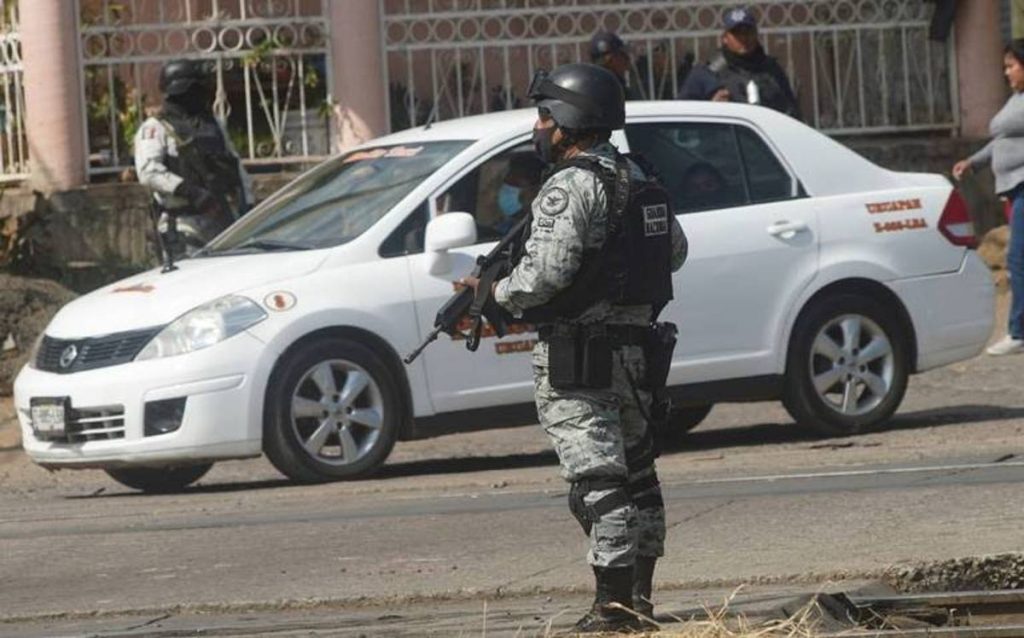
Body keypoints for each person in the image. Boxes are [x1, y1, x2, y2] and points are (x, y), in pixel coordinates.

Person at [464, 63, 688, 633]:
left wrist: (496, 295)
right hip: (636, 352)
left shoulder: (570, 185)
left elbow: (545, 275)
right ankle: (640, 601)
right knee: (638, 475)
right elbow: (675, 252)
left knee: (598, 483)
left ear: (569, 118)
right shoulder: (638, 176)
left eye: (545, 115)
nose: (539, 127)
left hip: (578, 356)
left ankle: (612, 613)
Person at [134, 59, 253, 259]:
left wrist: (247, 203)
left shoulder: (213, 124)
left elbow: (234, 163)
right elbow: (148, 171)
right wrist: (193, 193)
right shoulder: (156, 127)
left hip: (223, 218)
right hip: (182, 221)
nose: (203, 93)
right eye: (197, 88)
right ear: (181, 91)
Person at [953, 41, 1024, 356]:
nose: (1006, 71)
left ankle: (1019, 331)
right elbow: (1001, 141)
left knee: (1017, 259)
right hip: (1013, 188)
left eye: (1011, 65)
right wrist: (973, 162)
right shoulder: (1016, 100)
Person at [679, 7, 799, 118]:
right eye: (737, 33)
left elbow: (792, 113)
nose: (744, 38)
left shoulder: (772, 69)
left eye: (748, 32)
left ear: (756, 34)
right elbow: (683, 121)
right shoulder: (706, 73)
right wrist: (711, 110)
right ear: (725, 38)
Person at [495, 152, 544, 236]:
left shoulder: (541, 232)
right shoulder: (502, 229)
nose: (507, 188)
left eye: (515, 183)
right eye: (507, 181)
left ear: (535, 190)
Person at [590, 31, 642, 101]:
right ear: (611, 59)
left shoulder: (592, 87)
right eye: (623, 54)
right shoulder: (615, 90)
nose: (627, 59)